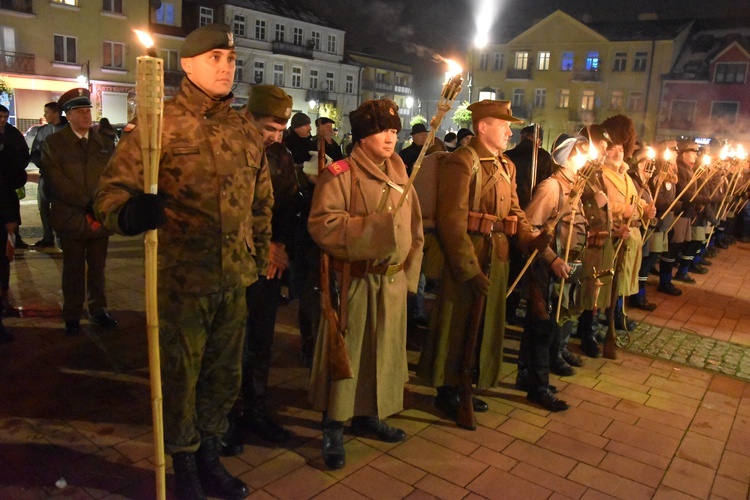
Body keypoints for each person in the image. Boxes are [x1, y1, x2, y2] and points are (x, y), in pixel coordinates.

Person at [94, 24, 272, 500]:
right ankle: (184, 463)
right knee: (180, 376)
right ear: (188, 65)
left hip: (234, 278)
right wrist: (131, 213)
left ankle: (210, 455)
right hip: (180, 280)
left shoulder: (244, 128)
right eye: (215, 57)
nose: (226, 66)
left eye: (231, 59)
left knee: (222, 376)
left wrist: (261, 255)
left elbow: (261, 202)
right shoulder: (159, 124)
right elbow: (109, 194)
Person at [307, 98, 424, 470]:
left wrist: (408, 278)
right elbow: (323, 225)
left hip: (390, 282)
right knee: (350, 355)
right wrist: (376, 230)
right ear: (362, 135)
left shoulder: (404, 174)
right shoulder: (341, 174)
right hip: (355, 281)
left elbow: (417, 232)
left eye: (393, 130)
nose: (390, 138)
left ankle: (369, 414)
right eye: (381, 131)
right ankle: (333, 424)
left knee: (383, 353)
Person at [417, 100, 551, 423]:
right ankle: (448, 391)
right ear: (482, 127)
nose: (509, 130)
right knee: (457, 323)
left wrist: (531, 238)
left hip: (498, 255)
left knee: (484, 326)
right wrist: (468, 269)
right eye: (503, 124)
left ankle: (469, 384)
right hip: (470, 256)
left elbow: (515, 212)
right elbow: (451, 221)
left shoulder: (506, 166)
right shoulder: (462, 162)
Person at [220, 85, 295, 455]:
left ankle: (256, 411)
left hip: (268, 265)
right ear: (248, 117)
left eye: (281, 131)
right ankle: (226, 419)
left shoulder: (280, 157)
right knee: (230, 344)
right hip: (233, 264)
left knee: (260, 342)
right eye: (269, 129)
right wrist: (263, 245)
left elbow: (289, 208)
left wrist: (279, 246)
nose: (275, 138)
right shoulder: (227, 150)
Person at [516, 135, 593, 411]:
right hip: (544, 268)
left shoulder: (575, 188)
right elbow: (529, 226)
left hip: (561, 269)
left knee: (544, 326)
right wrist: (551, 259)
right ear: (567, 158)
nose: (585, 162)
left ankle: (529, 377)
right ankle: (538, 387)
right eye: (580, 156)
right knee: (541, 326)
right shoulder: (552, 188)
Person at [39, 91, 117, 336]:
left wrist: (102, 203)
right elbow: (54, 180)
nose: (86, 116)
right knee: (72, 270)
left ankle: (98, 310)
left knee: (97, 269)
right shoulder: (54, 143)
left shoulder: (103, 141)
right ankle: (72, 314)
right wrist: (86, 202)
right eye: (81, 112)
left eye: (88, 111)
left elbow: (112, 176)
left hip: (98, 218)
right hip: (71, 217)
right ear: (69, 115)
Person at [0, 104, 28, 322]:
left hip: (6, 209)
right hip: (5, 209)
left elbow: (14, 177)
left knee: (4, 259)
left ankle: (3, 299)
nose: (1, 120)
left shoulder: (12, 137)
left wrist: (11, 218)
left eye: (4, 117)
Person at [29, 101, 68, 249]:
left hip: (62, 177)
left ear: (56, 113)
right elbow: (35, 152)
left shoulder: (67, 130)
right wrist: (42, 163)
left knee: (60, 208)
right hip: (45, 175)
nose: (44, 115)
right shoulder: (43, 131)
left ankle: (62, 239)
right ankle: (47, 236)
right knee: (43, 206)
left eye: (47, 112)